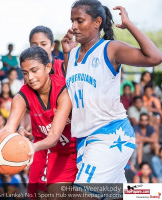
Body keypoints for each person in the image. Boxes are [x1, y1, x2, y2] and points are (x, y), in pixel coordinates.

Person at [57, 0, 162, 183]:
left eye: (79, 20)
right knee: (120, 193)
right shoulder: (73, 53)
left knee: (80, 195)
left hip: (110, 135)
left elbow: (155, 57)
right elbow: (74, 89)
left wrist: (128, 25)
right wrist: (66, 55)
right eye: (72, 21)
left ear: (97, 22)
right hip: (85, 139)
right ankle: (155, 193)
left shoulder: (110, 49)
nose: (73, 26)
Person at [0, 47, 77, 198]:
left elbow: (54, 136)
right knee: (39, 195)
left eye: (35, 70)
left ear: (48, 67)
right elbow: (9, 128)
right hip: (49, 151)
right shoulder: (21, 96)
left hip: (75, 150)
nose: (30, 77)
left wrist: (31, 147)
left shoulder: (63, 91)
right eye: (26, 73)